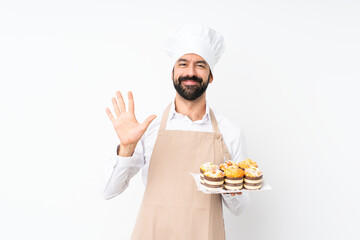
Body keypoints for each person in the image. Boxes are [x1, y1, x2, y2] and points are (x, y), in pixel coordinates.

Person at [103, 24, 250, 240]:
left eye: (200, 65)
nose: (190, 72)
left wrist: (230, 186)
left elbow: (241, 208)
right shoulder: (146, 125)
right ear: (173, 72)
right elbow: (108, 191)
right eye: (183, 64)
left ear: (210, 76)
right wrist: (126, 147)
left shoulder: (230, 132)